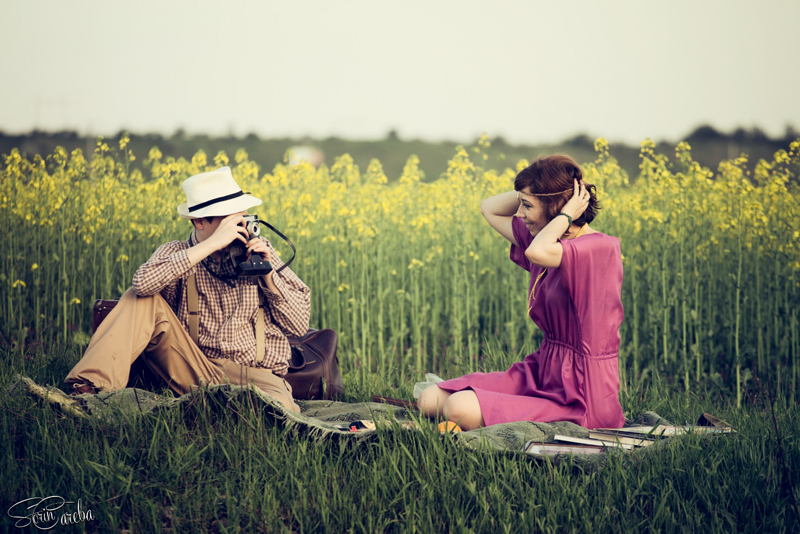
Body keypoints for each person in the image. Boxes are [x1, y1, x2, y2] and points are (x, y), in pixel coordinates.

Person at [64, 166, 310, 412]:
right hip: (191, 366)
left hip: (253, 375)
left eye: (243, 218)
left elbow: (298, 325)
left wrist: (267, 275)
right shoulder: (176, 252)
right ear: (199, 221)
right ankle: (89, 391)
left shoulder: (259, 251)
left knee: (277, 410)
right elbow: (142, 284)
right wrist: (212, 244)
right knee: (139, 297)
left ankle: (218, 411)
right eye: (231, 221)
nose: (241, 228)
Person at [417, 155, 626, 431]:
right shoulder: (549, 238)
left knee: (456, 407)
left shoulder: (599, 249)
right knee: (429, 399)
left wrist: (565, 211)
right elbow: (489, 208)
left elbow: (537, 252)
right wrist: (532, 191)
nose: (520, 213)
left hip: (581, 393)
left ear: (556, 208)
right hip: (543, 371)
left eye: (527, 206)